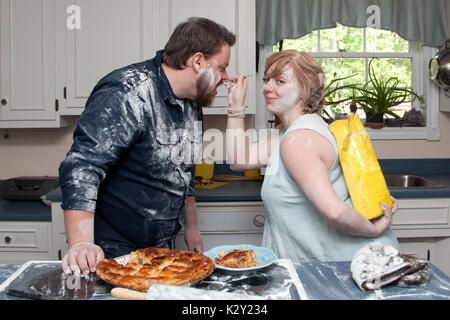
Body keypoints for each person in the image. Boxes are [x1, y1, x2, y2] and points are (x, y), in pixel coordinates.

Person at [59, 17, 236, 275]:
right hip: (112, 249)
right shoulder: (127, 91)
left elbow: (184, 170)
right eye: (222, 68)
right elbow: (82, 167)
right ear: (198, 61)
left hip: (161, 248)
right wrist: (81, 243)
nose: (225, 77)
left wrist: (192, 227)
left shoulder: (191, 101)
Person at [226, 50, 399, 262]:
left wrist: (373, 230)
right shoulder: (288, 132)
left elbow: (335, 212)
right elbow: (239, 160)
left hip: (346, 268)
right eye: (266, 79)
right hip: (330, 267)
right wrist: (235, 106)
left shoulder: (298, 140)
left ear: (304, 89)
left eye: (280, 81)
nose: (267, 88)